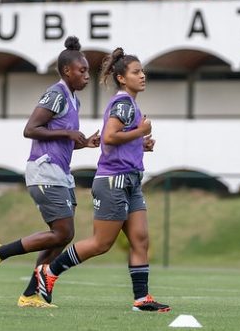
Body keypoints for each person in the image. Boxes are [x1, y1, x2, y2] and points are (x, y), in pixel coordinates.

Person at [32, 48, 170, 313]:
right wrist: (141, 131)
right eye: (136, 72)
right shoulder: (122, 104)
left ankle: (142, 299)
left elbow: (119, 140)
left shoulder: (131, 103)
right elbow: (108, 137)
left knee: (140, 239)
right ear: (121, 78)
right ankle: (49, 271)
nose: (143, 76)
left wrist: (140, 144)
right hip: (113, 182)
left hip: (130, 180)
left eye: (142, 71)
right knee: (100, 244)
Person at [0, 36, 99, 308]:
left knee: (60, 237)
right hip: (44, 172)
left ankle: (31, 294)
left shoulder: (73, 100)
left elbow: (57, 140)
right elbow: (30, 129)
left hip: (60, 172)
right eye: (82, 71)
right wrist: (68, 132)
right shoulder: (56, 93)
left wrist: (83, 143)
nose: (86, 76)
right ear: (67, 70)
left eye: (88, 71)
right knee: (62, 233)